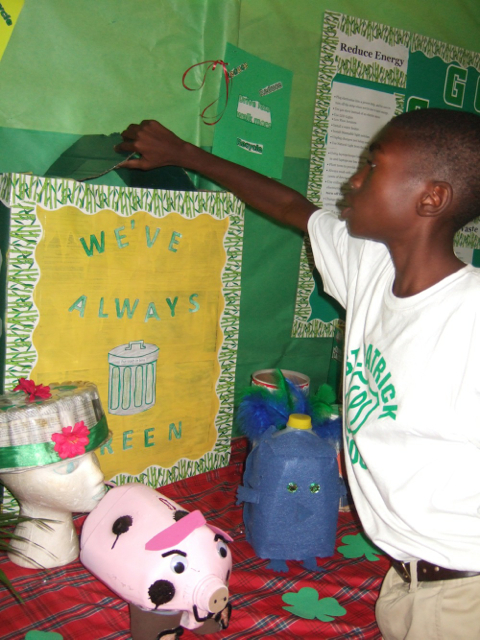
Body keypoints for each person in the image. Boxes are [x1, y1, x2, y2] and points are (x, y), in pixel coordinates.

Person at [115, 108, 480, 639]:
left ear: (431, 198)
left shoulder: (468, 317)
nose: (351, 181)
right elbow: (292, 208)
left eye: (372, 168)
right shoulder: (371, 267)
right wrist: (184, 155)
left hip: (462, 592)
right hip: (407, 578)